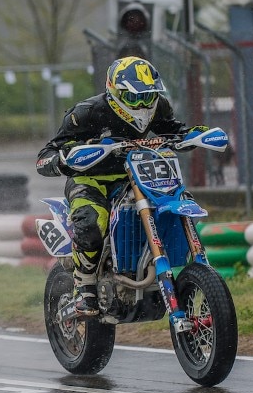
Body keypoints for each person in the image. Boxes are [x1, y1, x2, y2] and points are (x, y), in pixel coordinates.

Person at [36, 56, 207, 316]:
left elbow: (173, 130)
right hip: (90, 181)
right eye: (134, 98)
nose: (142, 104)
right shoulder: (86, 112)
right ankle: (84, 286)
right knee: (92, 221)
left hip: (137, 175)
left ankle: (192, 265)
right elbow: (45, 156)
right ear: (114, 92)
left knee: (178, 200)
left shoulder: (159, 106)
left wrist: (196, 135)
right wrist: (66, 158)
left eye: (148, 96)